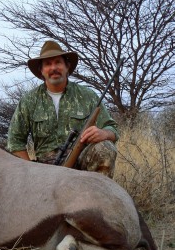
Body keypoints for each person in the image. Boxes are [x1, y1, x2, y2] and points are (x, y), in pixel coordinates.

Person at [7, 40, 119, 178]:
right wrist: (31, 172)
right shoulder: (29, 100)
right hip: (43, 169)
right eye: (48, 64)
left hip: (81, 161)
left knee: (105, 148)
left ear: (67, 67)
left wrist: (104, 133)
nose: (53, 68)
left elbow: (112, 128)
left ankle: (98, 196)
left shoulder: (88, 96)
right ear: (41, 71)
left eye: (58, 62)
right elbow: (14, 142)